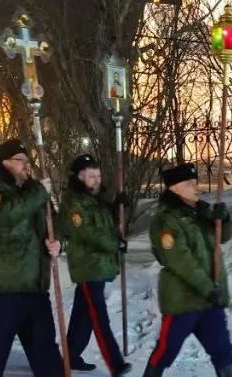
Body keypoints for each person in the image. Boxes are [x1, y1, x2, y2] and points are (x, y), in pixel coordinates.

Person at [0, 139, 65, 377]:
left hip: (35, 288)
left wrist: (57, 242)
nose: (27, 165)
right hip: (3, 287)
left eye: (28, 160)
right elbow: (7, 213)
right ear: (5, 163)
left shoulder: (32, 190)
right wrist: (38, 192)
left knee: (46, 353)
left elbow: (54, 222)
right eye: (20, 160)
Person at [142, 163, 232, 377]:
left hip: (209, 299)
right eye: (189, 184)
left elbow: (225, 235)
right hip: (182, 301)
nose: (196, 187)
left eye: (195, 182)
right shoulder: (166, 220)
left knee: (223, 352)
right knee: (166, 352)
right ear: (174, 188)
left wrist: (223, 218)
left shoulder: (200, 212)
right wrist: (207, 286)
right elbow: (179, 259)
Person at [61, 153, 132, 375]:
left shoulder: (98, 198)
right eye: (91, 176)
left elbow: (109, 223)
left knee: (83, 313)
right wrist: (115, 244)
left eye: (98, 175)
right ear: (80, 177)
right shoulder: (73, 201)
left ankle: (71, 356)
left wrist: (119, 206)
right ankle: (115, 363)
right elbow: (87, 232)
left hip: (99, 265)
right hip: (88, 266)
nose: (97, 180)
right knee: (99, 317)